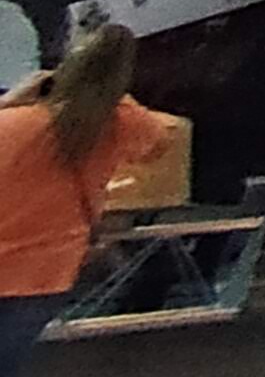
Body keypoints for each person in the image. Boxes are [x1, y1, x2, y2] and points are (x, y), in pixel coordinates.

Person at [3, 26, 177, 377]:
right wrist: (113, 96)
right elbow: (157, 144)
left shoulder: (12, 122)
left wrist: (12, 100)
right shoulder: (117, 122)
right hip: (45, 273)